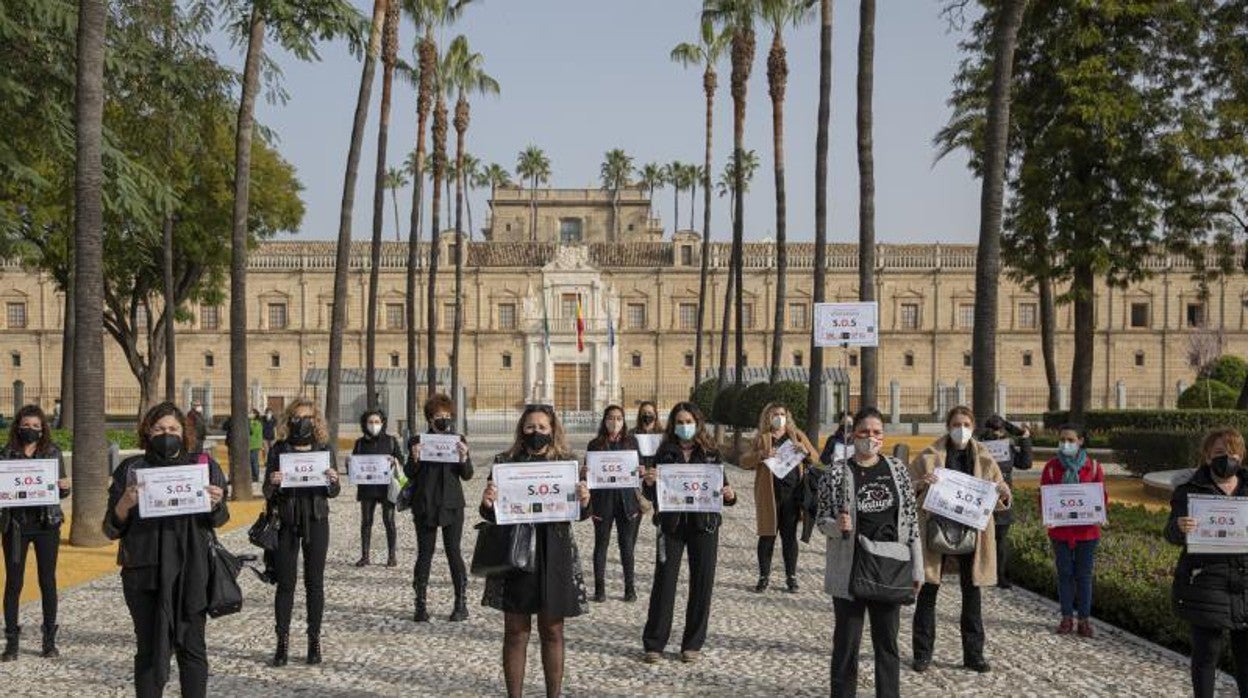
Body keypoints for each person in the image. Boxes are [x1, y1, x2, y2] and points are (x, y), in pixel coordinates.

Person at [103, 402, 228, 698]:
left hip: (191, 571)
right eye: (159, 429)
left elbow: (220, 520)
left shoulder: (203, 465)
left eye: (172, 429)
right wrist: (124, 504)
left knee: (192, 648)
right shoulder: (131, 469)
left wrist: (217, 503)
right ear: (148, 432)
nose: (166, 434)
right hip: (143, 573)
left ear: (183, 433)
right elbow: (109, 528)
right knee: (148, 650)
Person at [480, 404, 591, 698]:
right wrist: (488, 502)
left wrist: (584, 499)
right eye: (530, 427)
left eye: (542, 427)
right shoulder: (504, 462)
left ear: (552, 430)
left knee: (553, 631)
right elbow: (492, 515)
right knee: (516, 632)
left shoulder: (567, 462)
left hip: (554, 553)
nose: (536, 432)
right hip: (516, 554)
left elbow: (580, 514)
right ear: (521, 430)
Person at [818, 407, 923, 698]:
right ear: (853, 435)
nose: (870, 437)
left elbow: (911, 522)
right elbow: (820, 519)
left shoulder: (897, 470)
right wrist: (836, 526)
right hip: (850, 568)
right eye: (864, 432)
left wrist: (917, 569)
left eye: (876, 432)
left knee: (887, 645)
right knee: (846, 646)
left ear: (883, 436)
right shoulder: (837, 473)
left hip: (889, 567)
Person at [908, 405, 1011, 674]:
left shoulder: (986, 458)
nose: (961, 429)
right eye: (956, 424)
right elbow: (907, 487)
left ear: (973, 426)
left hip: (972, 534)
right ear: (947, 426)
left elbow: (1001, 498)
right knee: (928, 591)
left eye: (966, 424)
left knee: (972, 592)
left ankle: (974, 655)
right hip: (936, 530)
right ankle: (922, 654)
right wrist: (921, 484)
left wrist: (1003, 492)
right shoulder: (930, 455)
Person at [641, 401, 737, 664]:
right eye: (680, 422)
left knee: (702, 583)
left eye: (689, 422)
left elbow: (724, 489)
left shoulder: (710, 452)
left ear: (698, 423)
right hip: (670, 526)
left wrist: (731, 495)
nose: (685, 427)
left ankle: (692, 643)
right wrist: (648, 483)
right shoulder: (664, 452)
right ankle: (654, 643)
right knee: (664, 582)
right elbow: (652, 494)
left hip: (704, 525)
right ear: (674, 425)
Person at [1167, 427, 1248, 697]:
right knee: (1206, 657)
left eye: (1234, 453)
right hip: (1206, 582)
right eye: (1220, 453)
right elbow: (1170, 533)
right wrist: (1180, 526)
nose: (1228, 458)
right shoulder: (1189, 491)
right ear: (1206, 455)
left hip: (1245, 583)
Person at [263, 398, 340, 667]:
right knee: (286, 584)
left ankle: (314, 640)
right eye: (297, 417)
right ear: (289, 420)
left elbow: (334, 491)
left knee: (314, 582)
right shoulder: (279, 449)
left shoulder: (324, 449)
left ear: (315, 420)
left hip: (316, 519)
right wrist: (273, 482)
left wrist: (333, 480)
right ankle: (282, 641)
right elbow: (266, 491)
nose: (302, 422)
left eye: (307, 417)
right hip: (286, 520)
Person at [1, 405, 70, 660]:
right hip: (15, 526)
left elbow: (61, 490)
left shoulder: (52, 452)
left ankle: (49, 640)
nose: (30, 430)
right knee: (14, 583)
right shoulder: (6, 455)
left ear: (43, 429)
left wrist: (64, 487)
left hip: (46, 525)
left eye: (36, 426)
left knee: (47, 581)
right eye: (26, 425)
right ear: (18, 426)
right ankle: (11, 642)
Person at [406, 394, 473, 622]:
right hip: (425, 503)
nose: (443, 420)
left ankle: (461, 602)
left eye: (447, 416)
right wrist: (414, 458)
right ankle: (420, 604)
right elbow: (408, 473)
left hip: (452, 504)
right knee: (425, 553)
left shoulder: (458, 439)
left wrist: (464, 457)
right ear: (429, 419)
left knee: (453, 552)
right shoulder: (418, 440)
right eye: (438, 416)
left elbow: (468, 475)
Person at [740, 402, 816, 593]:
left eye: (782, 414)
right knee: (767, 536)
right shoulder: (762, 438)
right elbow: (744, 461)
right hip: (769, 494)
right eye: (775, 414)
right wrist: (761, 454)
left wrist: (804, 452)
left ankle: (791, 577)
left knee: (789, 537)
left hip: (792, 494)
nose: (779, 417)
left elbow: (816, 459)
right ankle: (763, 576)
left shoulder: (796, 435)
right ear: (768, 416)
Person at [1040, 423, 1104, 637]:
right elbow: (1044, 497)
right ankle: (1067, 617)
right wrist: (1048, 514)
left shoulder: (1093, 467)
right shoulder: (1051, 467)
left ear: (1081, 441)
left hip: (1087, 532)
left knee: (1084, 576)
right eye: (1062, 440)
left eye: (1070, 440)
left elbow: (1101, 497)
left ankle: (1084, 620)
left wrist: (1099, 512)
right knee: (1065, 575)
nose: (1065, 444)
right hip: (1060, 532)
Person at [584, 405, 642, 603]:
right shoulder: (595, 445)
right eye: (610, 418)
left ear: (624, 421)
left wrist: (641, 470)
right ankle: (600, 589)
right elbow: (589, 471)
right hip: (603, 502)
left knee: (627, 546)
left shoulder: (631, 442)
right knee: (601, 544)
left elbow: (639, 467)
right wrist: (585, 472)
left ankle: (629, 588)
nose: (614, 422)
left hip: (627, 502)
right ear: (604, 421)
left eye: (618, 418)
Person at [976, 414, 1033, 589]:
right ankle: (980, 573)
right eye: (992, 430)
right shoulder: (977, 447)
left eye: (999, 430)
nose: (996, 434)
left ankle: (1000, 576)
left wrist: (1024, 440)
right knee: (980, 538)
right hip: (980, 495)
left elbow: (1025, 463)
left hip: (1003, 497)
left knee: (1001, 539)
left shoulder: (1007, 447)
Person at [350, 409, 404, 568]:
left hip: (386, 487)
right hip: (367, 488)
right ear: (365, 424)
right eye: (370, 422)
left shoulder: (390, 441)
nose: (374, 425)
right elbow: (354, 467)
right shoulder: (359, 443)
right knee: (366, 521)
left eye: (377, 422)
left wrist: (395, 460)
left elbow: (401, 459)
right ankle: (365, 556)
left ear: (383, 423)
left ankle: (391, 556)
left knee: (389, 520)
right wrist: (350, 464)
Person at [248, 409, 264, 483]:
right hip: (250, 445)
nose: (249, 414)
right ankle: (252, 476)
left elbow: (252, 432)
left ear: (255, 415)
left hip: (255, 445)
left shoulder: (257, 423)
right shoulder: (250, 422)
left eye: (251, 413)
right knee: (250, 461)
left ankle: (256, 477)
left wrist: (249, 424)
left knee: (254, 461)